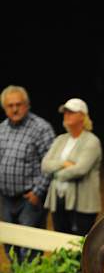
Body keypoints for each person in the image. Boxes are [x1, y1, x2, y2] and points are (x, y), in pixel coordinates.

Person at [0, 84, 55, 263]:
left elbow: (50, 163)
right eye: (10, 105)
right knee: (9, 243)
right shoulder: (2, 129)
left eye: (19, 104)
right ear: (4, 107)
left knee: (30, 247)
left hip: (29, 198)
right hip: (6, 199)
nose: (15, 109)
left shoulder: (41, 128)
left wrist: (38, 192)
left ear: (27, 105)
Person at [41, 98, 102, 236]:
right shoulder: (60, 139)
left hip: (83, 203)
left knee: (79, 244)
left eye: (71, 112)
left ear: (82, 116)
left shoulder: (92, 141)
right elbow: (45, 165)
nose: (66, 115)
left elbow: (80, 170)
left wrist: (55, 173)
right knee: (60, 240)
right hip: (58, 200)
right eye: (65, 112)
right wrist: (64, 164)